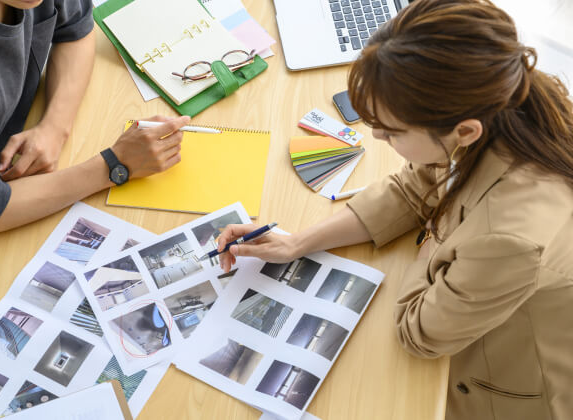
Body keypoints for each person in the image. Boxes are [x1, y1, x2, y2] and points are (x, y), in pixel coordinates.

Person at [217, 1, 573, 419]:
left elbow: (419, 333)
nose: (377, 137)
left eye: (391, 132)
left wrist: (432, 235)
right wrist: (298, 242)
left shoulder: (511, 237)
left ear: (464, 130)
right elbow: (415, 186)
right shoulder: (501, 106)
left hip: (507, 384)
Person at [0, 0, 188, 278]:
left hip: (8, 170)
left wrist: (54, 127)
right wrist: (114, 166)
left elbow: (77, 28)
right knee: (131, 272)